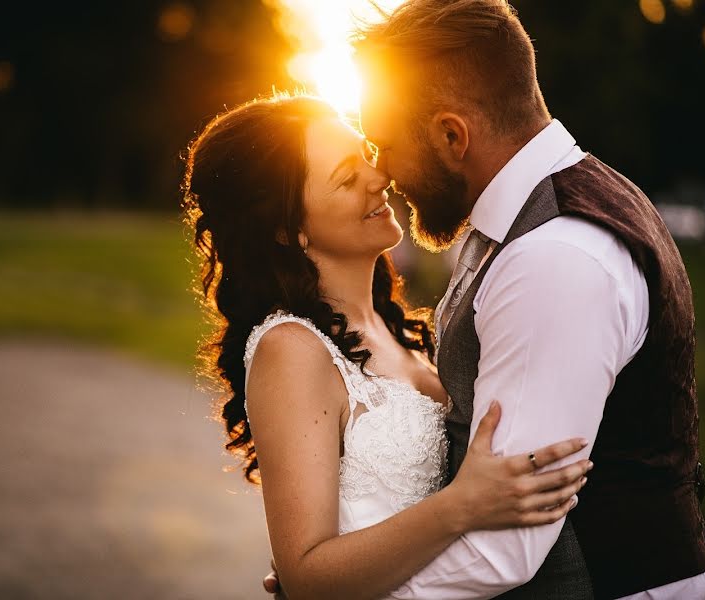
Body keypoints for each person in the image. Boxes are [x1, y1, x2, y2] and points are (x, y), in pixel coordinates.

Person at [263, 1, 705, 598]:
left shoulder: (552, 257)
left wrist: (341, 590)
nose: (385, 171)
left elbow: (505, 548)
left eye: (385, 144)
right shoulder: (541, 212)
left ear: (452, 135)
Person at [181, 93, 592, 600]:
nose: (380, 178)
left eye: (365, 157)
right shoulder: (291, 350)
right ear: (288, 230)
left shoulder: (397, 330)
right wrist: (461, 505)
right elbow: (308, 577)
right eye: (347, 179)